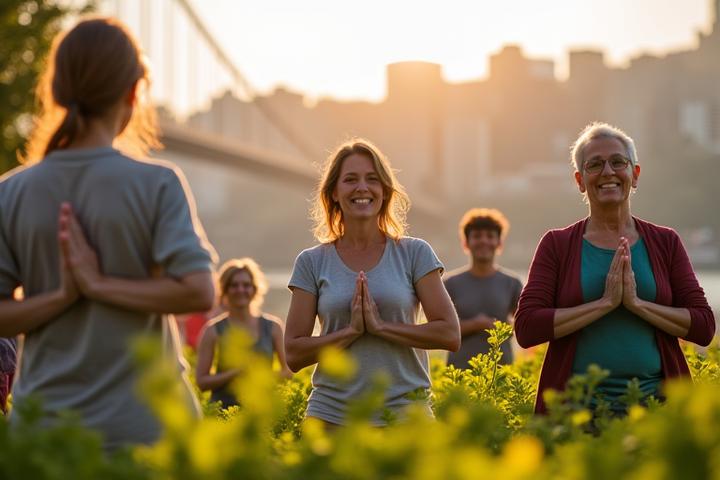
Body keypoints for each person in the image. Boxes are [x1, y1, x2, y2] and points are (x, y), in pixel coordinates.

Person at [0, 18, 216, 449]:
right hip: (149, 431)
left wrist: (64, 295)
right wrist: (99, 285)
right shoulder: (158, 184)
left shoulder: (10, 191)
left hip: (44, 436)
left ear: (58, 91)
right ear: (134, 92)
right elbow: (199, 293)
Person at [515, 122, 715, 414]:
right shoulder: (557, 245)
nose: (607, 172)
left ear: (634, 174)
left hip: (657, 411)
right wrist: (604, 303)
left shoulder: (665, 242)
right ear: (580, 180)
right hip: (576, 415)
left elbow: (703, 326)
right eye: (594, 164)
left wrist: (636, 304)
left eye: (618, 162)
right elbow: (527, 327)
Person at [285, 138, 460, 427]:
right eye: (350, 180)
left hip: (407, 415)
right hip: (331, 418)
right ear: (334, 193)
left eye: (372, 179)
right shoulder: (311, 262)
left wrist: (381, 327)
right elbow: (293, 353)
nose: (362, 188)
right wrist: (350, 332)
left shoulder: (415, 253)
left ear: (385, 191)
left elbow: (449, 334)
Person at [196, 258, 291, 407]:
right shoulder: (212, 330)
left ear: (255, 289)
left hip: (261, 412)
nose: (241, 290)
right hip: (223, 413)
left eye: (246, 285)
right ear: (225, 290)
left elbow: (288, 371)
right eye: (234, 285)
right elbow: (201, 382)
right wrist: (235, 373)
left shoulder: (273, 327)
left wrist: (260, 377)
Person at [444, 208, 523, 369]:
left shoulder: (512, 283)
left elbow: (524, 327)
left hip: (501, 371)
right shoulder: (449, 283)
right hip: (459, 372)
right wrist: (476, 324)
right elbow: (442, 330)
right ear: (466, 242)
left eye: (490, 236)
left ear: (499, 243)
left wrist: (498, 328)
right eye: (477, 236)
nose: (484, 241)